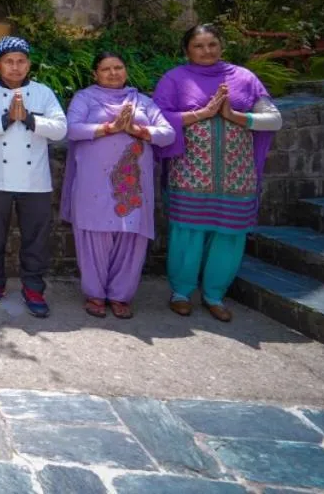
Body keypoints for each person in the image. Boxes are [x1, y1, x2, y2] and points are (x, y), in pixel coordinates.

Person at [153, 23, 282, 322]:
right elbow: (158, 118)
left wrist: (234, 115)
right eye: (198, 46)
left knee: (230, 235)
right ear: (187, 50)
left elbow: (273, 119)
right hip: (189, 174)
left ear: (221, 46)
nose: (206, 51)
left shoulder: (244, 79)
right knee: (188, 233)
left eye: (212, 44)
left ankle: (214, 295)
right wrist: (202, 113)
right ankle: (181, 293)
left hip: (237, 176)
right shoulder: (175, 79)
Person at [61, 52, 174, 319]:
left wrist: (138, 130)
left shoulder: (143, 102)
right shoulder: (84, 99)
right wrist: (109, 128)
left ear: (126, 70)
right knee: (94, 236)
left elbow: (167, 134)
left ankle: (121, 296)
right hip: (93, 183)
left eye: (118, 67)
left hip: (132, 184)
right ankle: (95, 293)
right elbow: (71, 129)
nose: (113, 73)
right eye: (106, 69)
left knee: (131, 236)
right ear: (95, 74)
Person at [0, 36, 67, 318]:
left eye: (21, 61)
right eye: (9, 62)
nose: (15, 67)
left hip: (34, 179)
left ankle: (34, 287)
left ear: (29, 64)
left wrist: (29, 119)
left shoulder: (43, 93)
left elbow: (61, 129)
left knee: (35, 238)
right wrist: (6, 119)